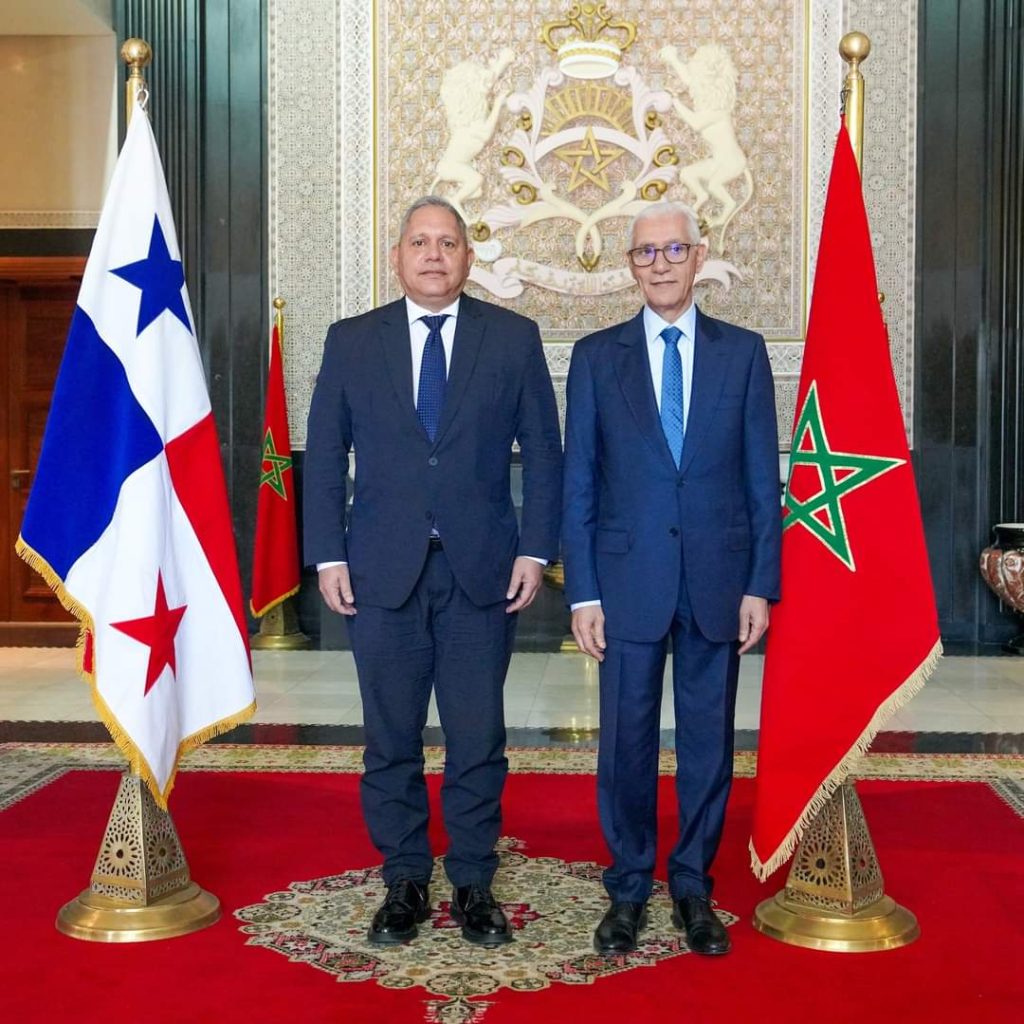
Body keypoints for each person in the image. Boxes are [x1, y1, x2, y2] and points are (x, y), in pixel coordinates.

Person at [303, 196, 562, 947]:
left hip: (482, 574)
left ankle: (475, 880)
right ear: (398, 257)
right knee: (391, 736)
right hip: (380, 572)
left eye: (448, 243)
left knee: (478, 736)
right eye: (420, 242)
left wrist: (535, 551)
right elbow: (325, 453)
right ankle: (406, 879)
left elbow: (546, 453)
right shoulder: (352, 341)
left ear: (468, 259)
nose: (434, 255)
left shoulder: (512, 338)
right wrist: (328, 553)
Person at [561, 201, 781, 956]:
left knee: (708, 743)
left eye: (673, 249)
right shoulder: (597, 357)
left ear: (699, 255)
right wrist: (583, 591)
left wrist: (760, 584)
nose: (659, 264)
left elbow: (762, 479)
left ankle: (692, 885)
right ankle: (628, 886)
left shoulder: (742, 353)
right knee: (624, 743)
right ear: (630, 265)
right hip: (626, 583)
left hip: (719, 582)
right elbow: (580, 483)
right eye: (644, 253)